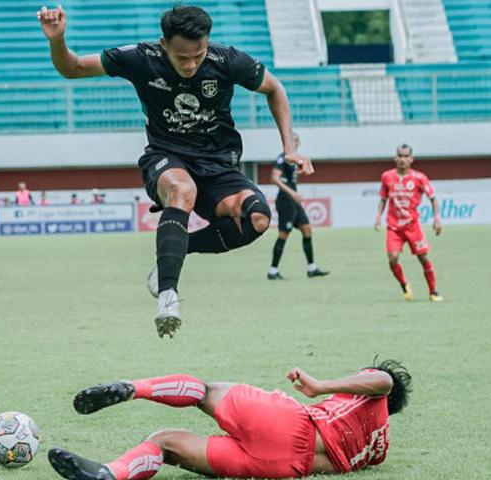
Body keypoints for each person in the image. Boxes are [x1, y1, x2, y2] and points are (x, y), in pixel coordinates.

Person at [38, 4, 313, 338]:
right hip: (166, 157)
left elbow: (275, 89)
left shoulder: (227, 60)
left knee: (257, 219)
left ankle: (177, 250)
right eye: (183, 57)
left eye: (198, 55)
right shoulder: (141, 58)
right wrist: (57, 40)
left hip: (218, 164)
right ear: (164, 44)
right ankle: (168, 297)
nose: (191, 64)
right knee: (183, 191)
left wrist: (290, 149)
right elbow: (74, 68)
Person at [48, 358, 411, 480]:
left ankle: (133, 389)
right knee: (165, 443)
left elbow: (384, 380)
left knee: (204, 392)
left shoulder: (374, 394)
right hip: (283, 467)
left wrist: (320, 387)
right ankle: (110, 473)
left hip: (292, 425)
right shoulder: (378, 452)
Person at [374, 144, 442, 301]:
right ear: (395, 158)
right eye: (400, 156)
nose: (403, 159)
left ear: (411, 159)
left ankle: (433, 291)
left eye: (406, 156)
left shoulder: (419, 178)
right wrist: (378, 216)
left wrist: (437, 219)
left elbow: (433, 198)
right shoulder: (387, 177)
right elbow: (383, 199)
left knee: (423, 258)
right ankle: (404, 284)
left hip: (412, 226)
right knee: (392, 259)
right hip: (394, 227)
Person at [267, 132, 328, 280]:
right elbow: (274, 178)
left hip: (293, 201)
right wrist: (291, 193)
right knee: (283, 234)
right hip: (285, 201)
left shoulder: (294, 159)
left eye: (297, 140)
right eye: (294, 140)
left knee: (306, 229)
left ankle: (311, 268)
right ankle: (272, 271)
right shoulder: (282, 158)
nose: (296, 142)